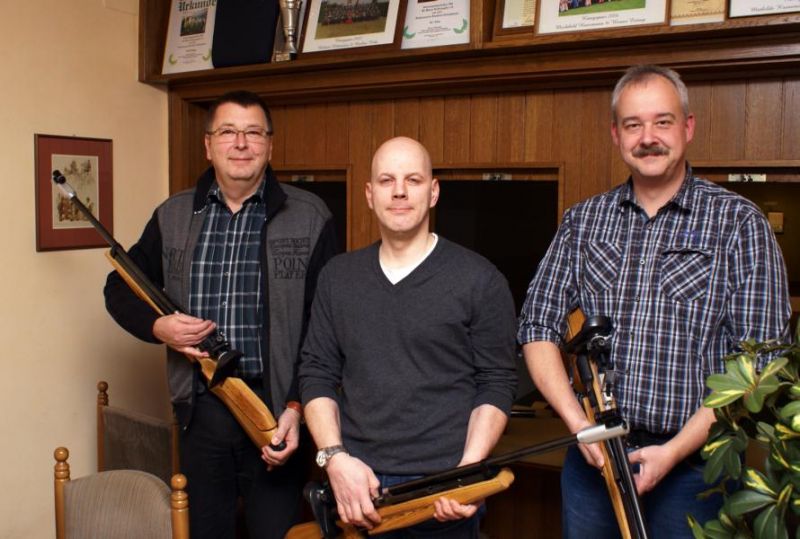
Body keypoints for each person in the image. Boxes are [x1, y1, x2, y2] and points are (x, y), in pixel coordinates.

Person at [518, 64, 792, 539]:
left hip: (695, 472)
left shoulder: (739, 224)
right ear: (616, 135)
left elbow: (760, 360)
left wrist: (675, 450)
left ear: (688, 127)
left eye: (663, 122)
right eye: (633, 125)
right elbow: (536, 324)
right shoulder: (584, 221)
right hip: (594, 462)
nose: (648, 137)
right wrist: (578, 423)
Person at [104, 90, 338, 539]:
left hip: (275, 414)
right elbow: (119, 287)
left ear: (270, 145)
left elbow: (324, 327)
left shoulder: (311, 216)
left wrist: (296, 407)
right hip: (201, 409)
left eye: (253, 133)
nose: (241, 143)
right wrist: (159, 327)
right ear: (208, 145)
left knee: (276, 532)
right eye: (228, 132)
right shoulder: (172, 215)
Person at [298, 136, 518, 538]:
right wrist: (335, 458)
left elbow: (497, 381)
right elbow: (316, 373)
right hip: (356, 482)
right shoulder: (337, 278)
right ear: (369, 194)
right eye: (387, 180)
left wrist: (466, 472)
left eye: (413, 180)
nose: (399, 191)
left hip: (443, 484)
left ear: (433, 192)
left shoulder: (480, 280)